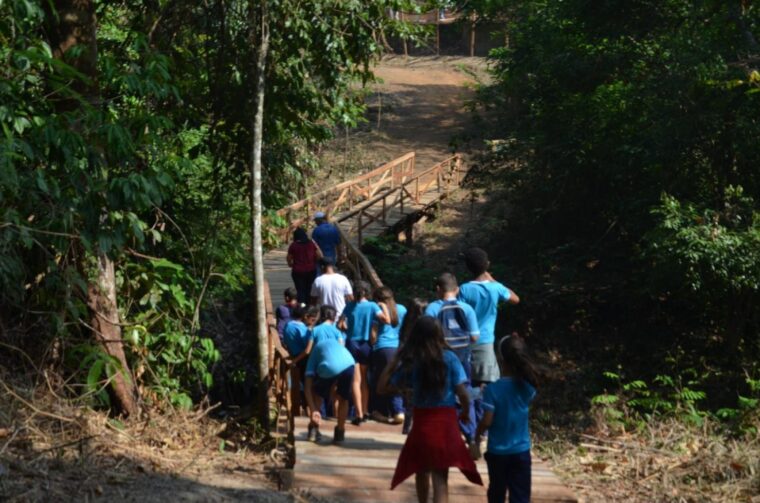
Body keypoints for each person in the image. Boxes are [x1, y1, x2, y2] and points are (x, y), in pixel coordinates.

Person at [379, 316, 482, 502]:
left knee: (421, 471)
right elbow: (463, 394)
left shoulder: (413, 362)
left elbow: (382, 387)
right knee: (441, 477)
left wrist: (395, 361)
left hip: (422, 424)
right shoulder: (450, 358)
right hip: (447, 423)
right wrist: (466, 412)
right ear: (439, 335)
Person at [458, 247, 520, 428]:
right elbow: (515, 299)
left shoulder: (464, 289)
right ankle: (484, 426)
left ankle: (471, 422)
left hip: (466, 343)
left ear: (468, 268)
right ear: (487, 265)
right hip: (485, 344)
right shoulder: (496, 288)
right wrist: (492, 279)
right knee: (487, 386)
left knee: (468, 384)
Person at [472, 335, 538, 503]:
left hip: (498, 453)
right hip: (521, 451)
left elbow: (487, 420)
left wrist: (477, 438)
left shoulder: (492, 390)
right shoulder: (528, 386)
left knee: (496, 493)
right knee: (521, 496)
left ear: (500, 359)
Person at [425, 273, 480, 444]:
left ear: (438, 290)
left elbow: (426, 335)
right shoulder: (467, 308)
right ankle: (470, 433)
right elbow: (475, 337)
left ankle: (443, 433)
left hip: (439, 357)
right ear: (457, 290)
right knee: (465, 391)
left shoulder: (432, 309)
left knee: (441, 393)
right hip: (463, 358)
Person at [339, 280, 389, 425]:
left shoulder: (349, 306)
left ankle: (359, 413)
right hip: (366, 345)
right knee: (365, 381)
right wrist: (384, 306)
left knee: (356, 380)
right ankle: (366, 411)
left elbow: (340, 324)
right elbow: (386, 320)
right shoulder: (373, 306)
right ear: (368, 292)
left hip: (352, 343)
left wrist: (346, 329)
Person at [304, 336, 358, 444]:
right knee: (344, 398)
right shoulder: (336, 343)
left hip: (329, 367)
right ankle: (340, 431)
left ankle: (313, 429)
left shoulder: (314, 353)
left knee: (317, 393)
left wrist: (313, 408)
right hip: (350, 364)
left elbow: (307, 387)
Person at [370, 286, 406, 424]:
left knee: (380, 381)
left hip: (382, 349)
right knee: (395, 379)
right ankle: (398, 410)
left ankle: (382, 411)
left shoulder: (377, 311)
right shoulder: (402, 309)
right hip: (398, 348)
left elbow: (373, 335)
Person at [397, 298, 429, 434]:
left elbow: (402, 343)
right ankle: (418, 426)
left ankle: (407, 426)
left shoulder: (406, 325)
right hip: (423, 364)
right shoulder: (426, 325)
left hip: (408, 364)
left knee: (409, 398)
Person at [283, 305, 319, 416]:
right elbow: (308, 348)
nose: (313, 322)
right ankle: (311, 410)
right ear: (305, 316)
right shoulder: (303, 329)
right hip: (304, 359)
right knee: (309, 386)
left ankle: (304, 409)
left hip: (294, 356)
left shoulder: (287, 325)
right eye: (312, 319)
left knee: (302, 385)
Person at [287, 227, 321, 304]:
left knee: (300, 289)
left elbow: (289, 258)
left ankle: (302, 305)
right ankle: (309, 305)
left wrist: (290, 264)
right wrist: (314, 261)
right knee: (309, 288)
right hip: (311, 270)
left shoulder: (293, 245)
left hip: (298, 271)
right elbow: (320, 255)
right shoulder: (311, 244)